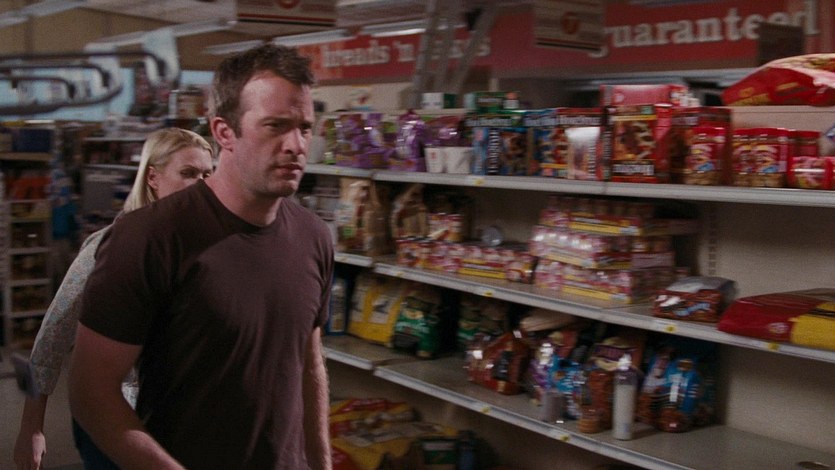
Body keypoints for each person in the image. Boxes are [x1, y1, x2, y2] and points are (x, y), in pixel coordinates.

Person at [68, 44, 333, 470]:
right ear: (224, 133)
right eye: (276, 126)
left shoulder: (313, 236)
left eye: (305, 128)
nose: (296, 145)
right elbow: (90, 392)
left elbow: (309, 364)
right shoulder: (147, 237)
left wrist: (321, 464)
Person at [14, 127, 214, 470]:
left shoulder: (209, 250)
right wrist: (31, 425)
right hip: (115, 421)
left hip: (182, 421)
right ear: (153, 177)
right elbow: (50, 339)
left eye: (208, 174)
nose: (201, 184)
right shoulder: (108, 246)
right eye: (188, 173)